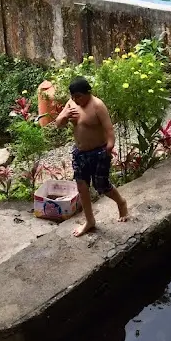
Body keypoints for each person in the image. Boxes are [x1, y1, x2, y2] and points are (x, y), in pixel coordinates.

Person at [55, 76, 129, 237]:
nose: (75, 100)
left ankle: (121, 203)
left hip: (99, 152)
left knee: (101, 186)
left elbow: (109, 128)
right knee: (82, 187)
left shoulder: (97, 105)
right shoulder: (71, 104)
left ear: (88, 93)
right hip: (80, 153)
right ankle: (90, 221)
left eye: (79, 96)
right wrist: (65, 115)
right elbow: (58, 123)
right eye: (73, 97)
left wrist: (110, 145)